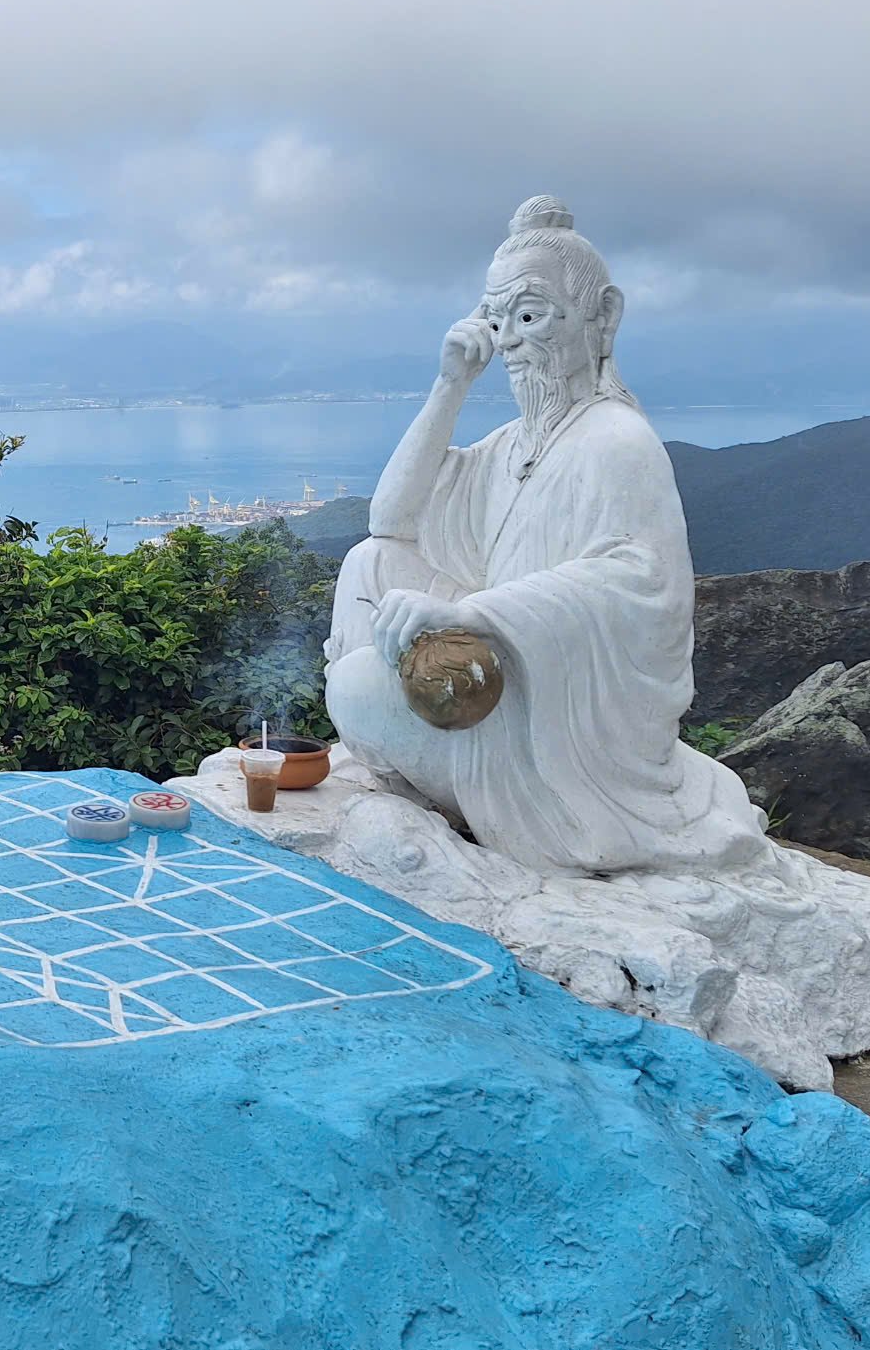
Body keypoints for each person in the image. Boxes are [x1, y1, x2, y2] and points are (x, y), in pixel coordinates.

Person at [323, 196, 770, 876]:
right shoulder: (510, 447)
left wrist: (470, 613)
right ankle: (415, 762)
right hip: (495, 670)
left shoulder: (617, 441)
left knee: (356, 685)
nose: (507, 342)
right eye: (496, 320)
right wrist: (450, 385)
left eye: (529, 316)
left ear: (603, 316)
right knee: (368, 564)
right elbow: (392, 520)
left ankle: (463, 783)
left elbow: (635, 581)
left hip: (554, 721)